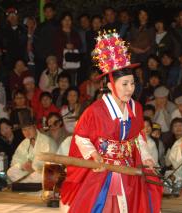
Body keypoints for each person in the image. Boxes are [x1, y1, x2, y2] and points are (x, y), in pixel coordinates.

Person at [60, 31, 162, 212]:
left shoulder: (136, 107)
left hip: (130, 169)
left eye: (132, 83)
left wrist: (145, 157)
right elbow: (81, 137)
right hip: (103, 169)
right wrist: (94, 156)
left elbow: (138, 135)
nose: (130, 89)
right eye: (125, 84)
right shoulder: (95, 110)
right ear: (110, 86)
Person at [7, 109, 57, 183]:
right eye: (24, 130)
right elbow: (15, 161)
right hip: (28, 174)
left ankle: (25, 183)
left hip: (42, 173)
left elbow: (50, 163)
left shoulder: (46, 141)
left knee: (39, 176)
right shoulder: (23, 143)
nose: (27, 132)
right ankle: (27, 183)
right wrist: (22, 166)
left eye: (29, 128)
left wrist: (33, 167)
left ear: (35, 127)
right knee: (10, 171)